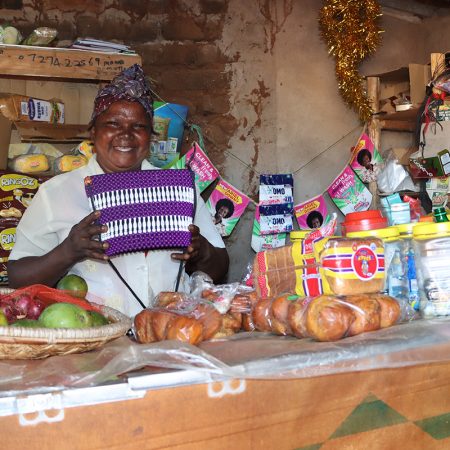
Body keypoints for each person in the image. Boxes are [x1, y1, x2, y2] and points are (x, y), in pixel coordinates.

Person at [7, 64, 229, 317]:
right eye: (112, 124)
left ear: (151, 136)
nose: (125, 135)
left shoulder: (178, 189)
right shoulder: (56, 194)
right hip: (95, 337)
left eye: (138, 126)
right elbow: (17, 277)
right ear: (93, 132)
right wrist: (68, 252)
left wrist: (200, 252)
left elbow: (220, 266)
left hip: (173, 331)